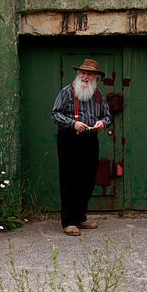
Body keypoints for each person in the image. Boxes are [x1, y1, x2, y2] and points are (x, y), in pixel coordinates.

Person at [50, 59, 112, 236]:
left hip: (90, 139)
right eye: (82, 73)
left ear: (96, 78)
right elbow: (55, 114)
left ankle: (80, 217)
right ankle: (68, 221)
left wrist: (102, 123)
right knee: (69, 180)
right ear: (78, 75)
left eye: (89, 74)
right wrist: (72, 124)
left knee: (87, 179)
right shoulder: (67, 92)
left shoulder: (99, 95)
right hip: (70, 139)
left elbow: (108, 116)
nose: (85, 76)